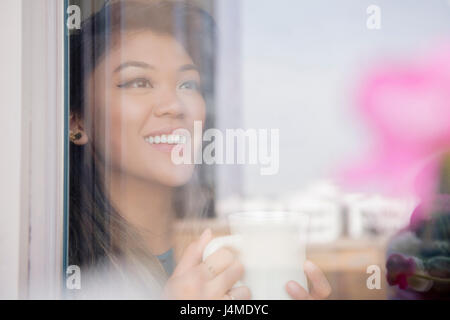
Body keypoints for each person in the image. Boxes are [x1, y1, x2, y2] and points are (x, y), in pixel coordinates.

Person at [68, 0, 330, 300]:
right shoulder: (53, 259)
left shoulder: (236, 236)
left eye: (188, 85)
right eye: (138, 81)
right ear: (77, 121)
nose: (174, 106)